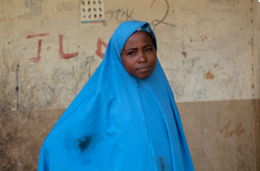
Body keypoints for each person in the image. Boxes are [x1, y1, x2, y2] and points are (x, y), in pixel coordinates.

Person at [38, 20, 194, 171]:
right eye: (131, 53)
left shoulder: (161, 92)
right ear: (118, 57)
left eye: (148, 49)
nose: (142, 58)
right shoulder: (102, 96)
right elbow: (62, 141)